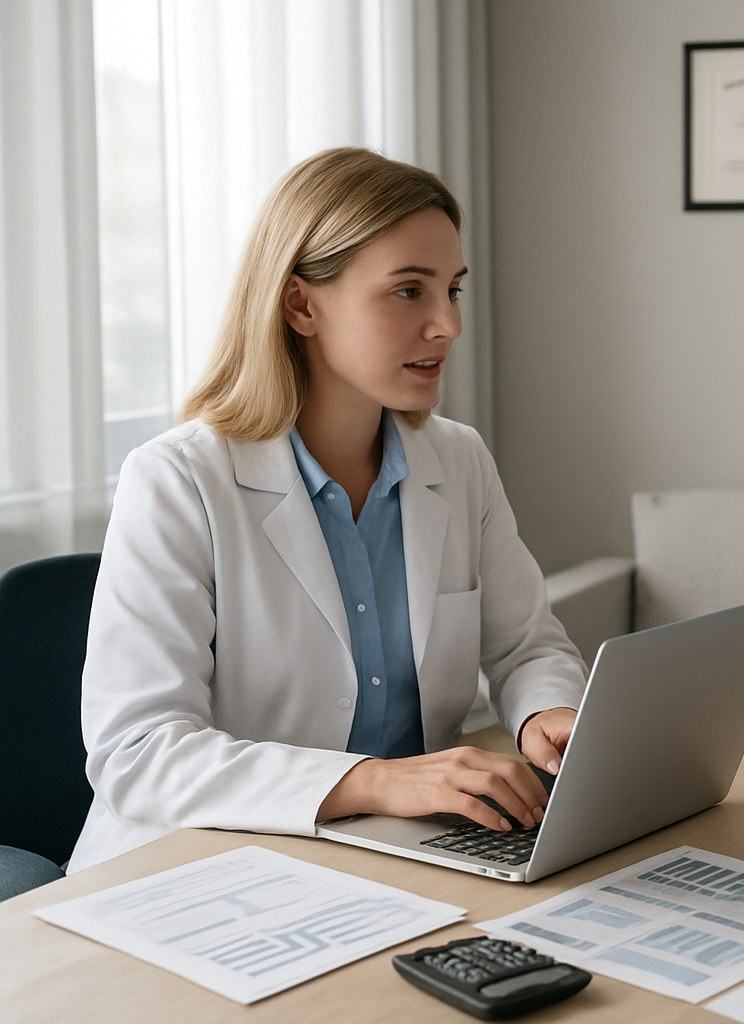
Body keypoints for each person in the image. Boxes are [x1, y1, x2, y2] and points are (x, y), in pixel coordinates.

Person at [70, 148, 587, 873]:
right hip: (205, 862)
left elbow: (524, 647)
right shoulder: (177, 480)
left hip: (398, 853)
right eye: (409, 291)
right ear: (301, 304)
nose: (446, 325)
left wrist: (547, 715)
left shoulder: (459, 460)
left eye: (453, 290)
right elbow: (139, 751)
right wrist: (374, 779)